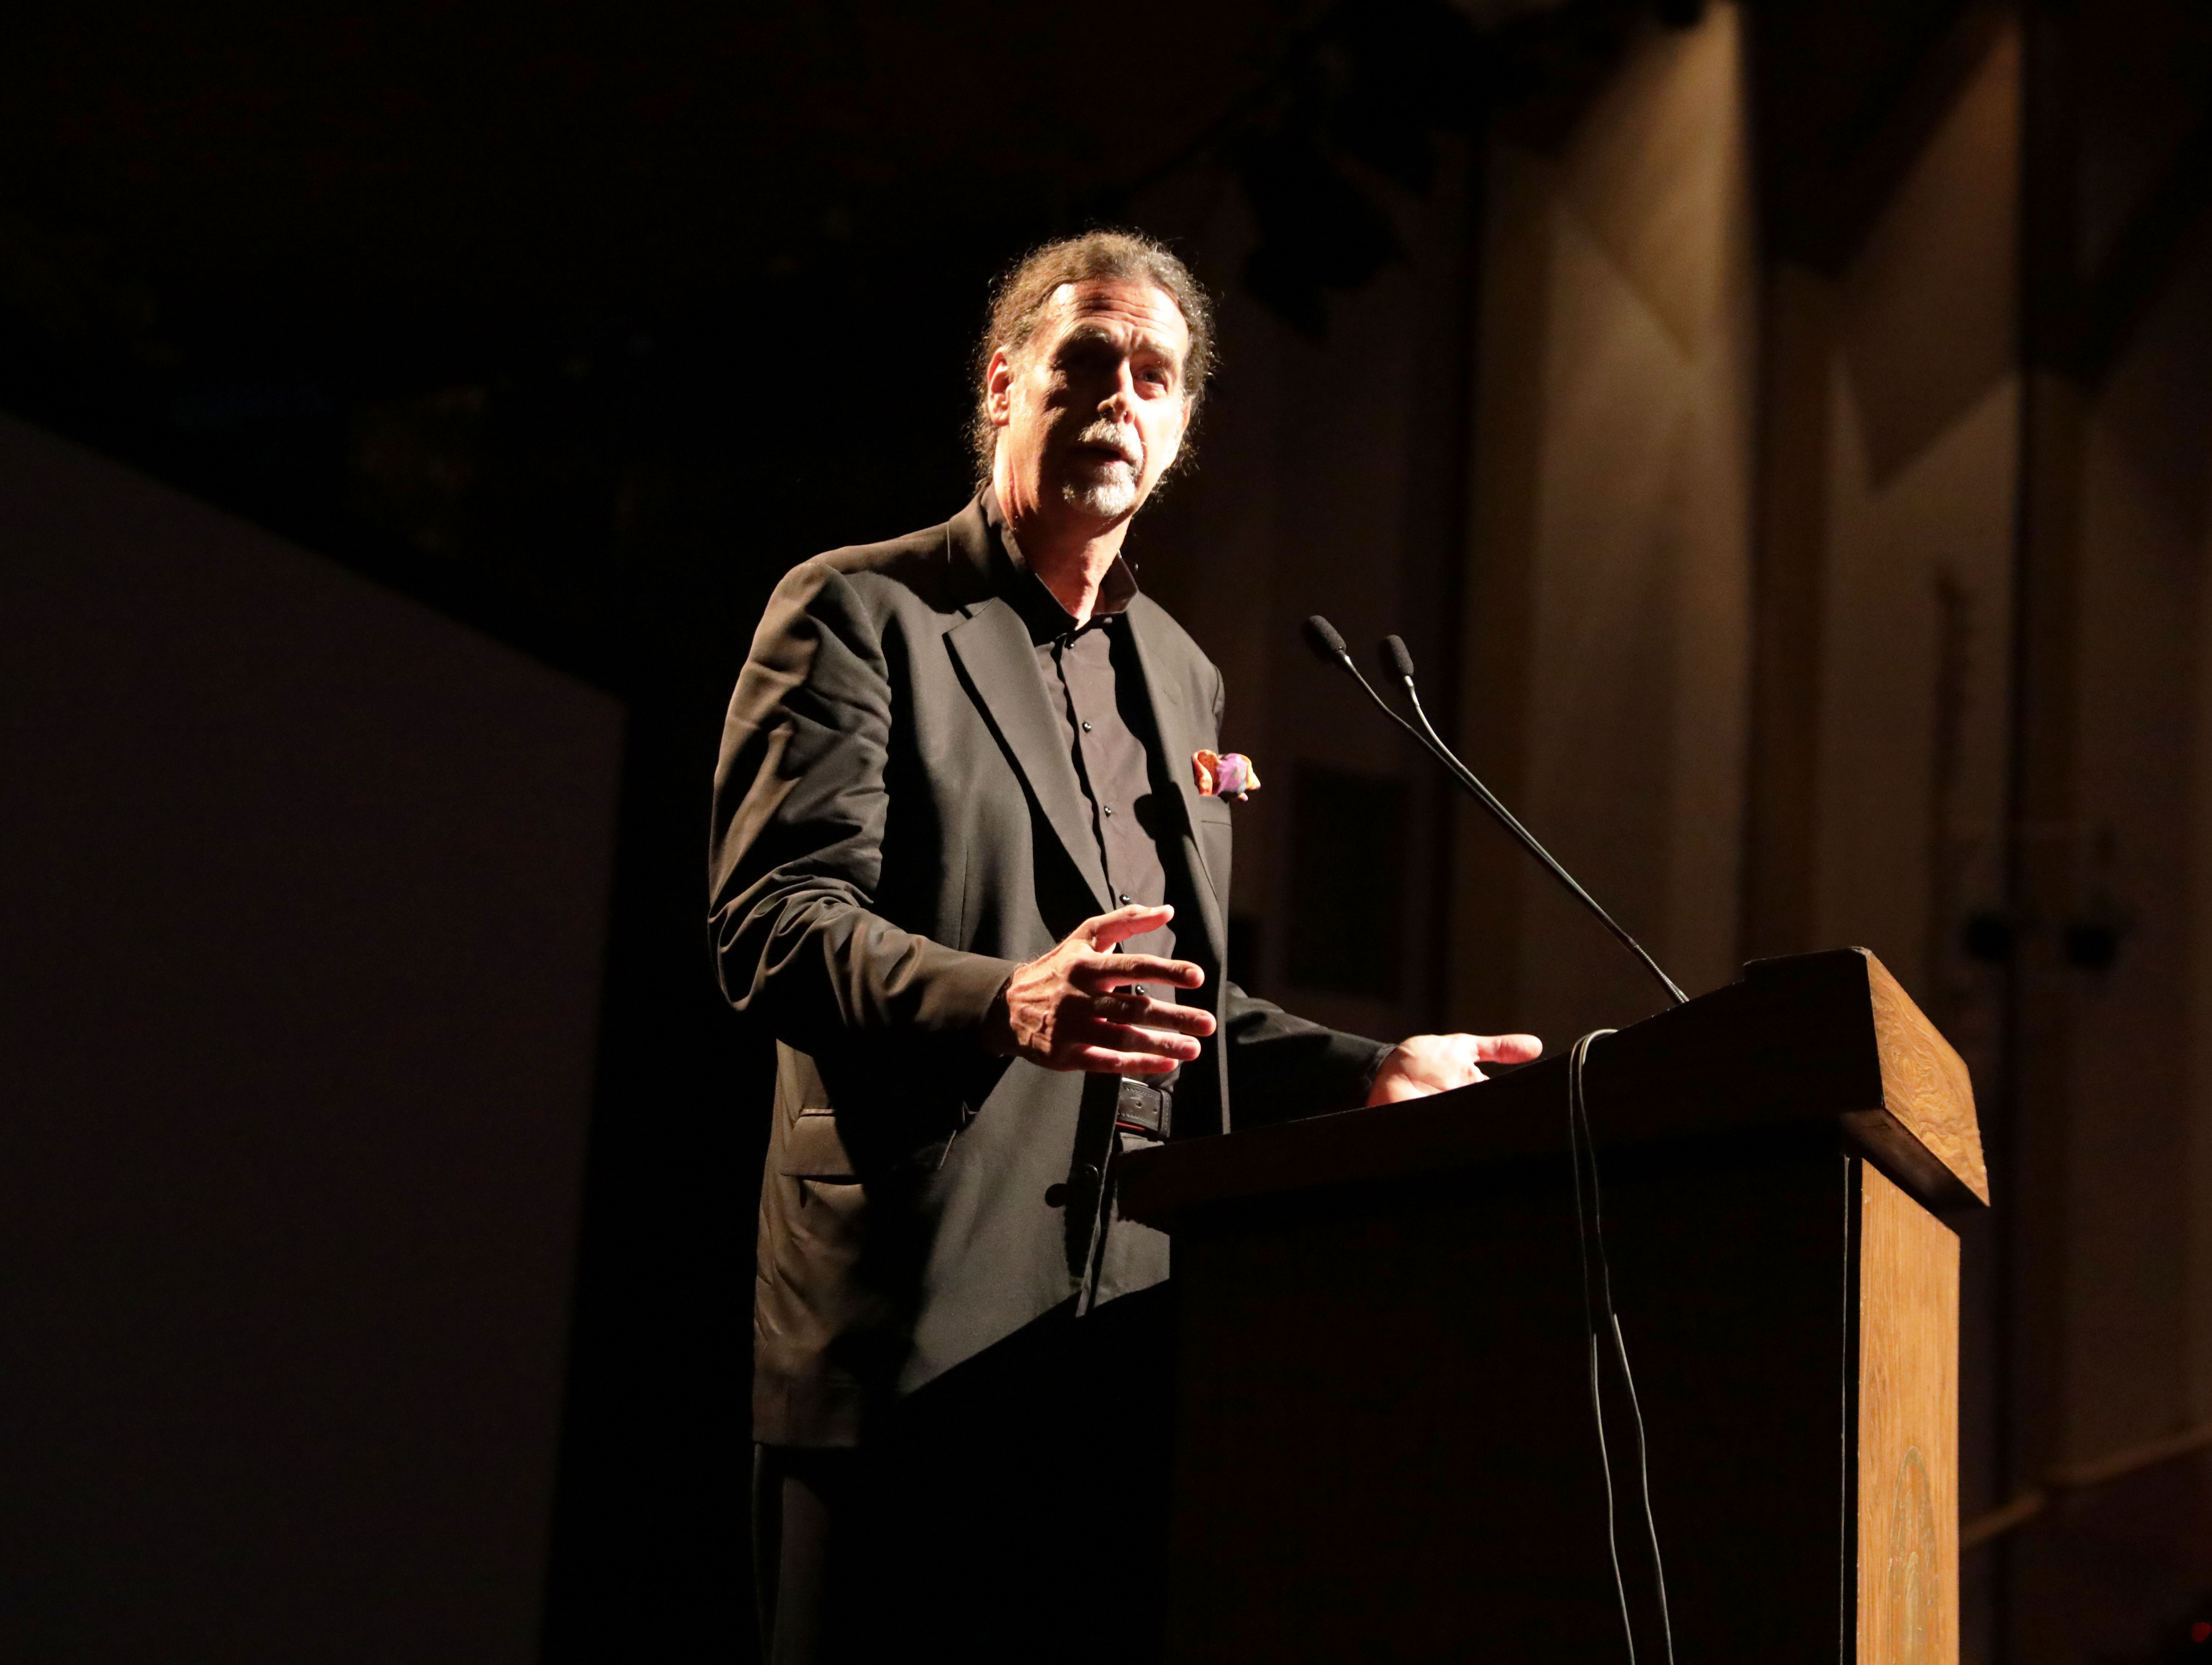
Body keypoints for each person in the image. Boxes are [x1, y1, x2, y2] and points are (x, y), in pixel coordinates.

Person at [709, 229, 1540, 1664]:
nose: (1118, 397)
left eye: (1154, 376)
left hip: (1129, 1349)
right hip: (908, 1324)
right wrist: (1005, 1000)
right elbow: (773, 925)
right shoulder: (860, 611)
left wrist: (1369, 1070)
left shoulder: (1182, 675)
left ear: (1182, 427)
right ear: (1003, 384)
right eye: (1086, 360)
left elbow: (1177, 999)